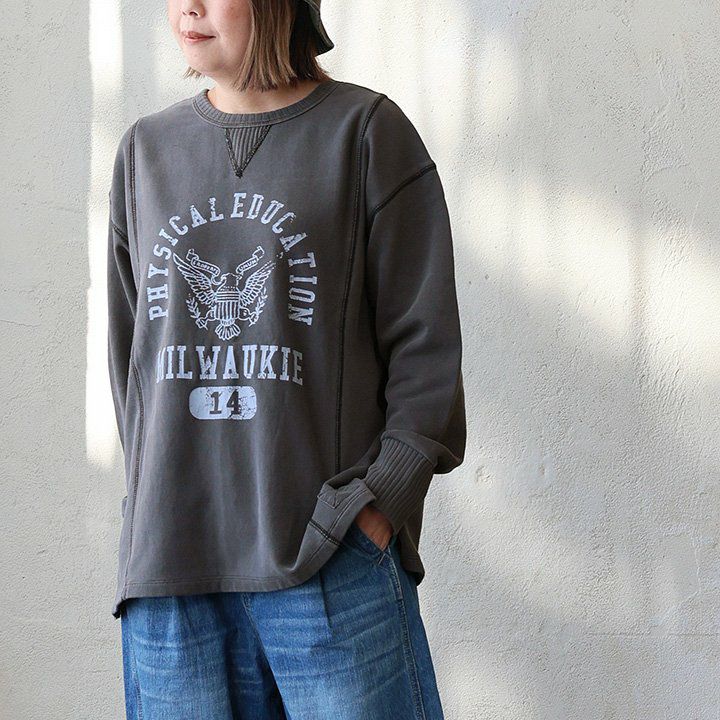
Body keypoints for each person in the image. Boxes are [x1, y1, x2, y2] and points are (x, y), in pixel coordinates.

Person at [106, 0, 467, 717]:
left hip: (327, 563)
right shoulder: (145, 152)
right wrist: (150, 501)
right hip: (171, 574)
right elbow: (132, 366)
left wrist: (379, 506)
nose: (188, 7)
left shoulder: (365, 134)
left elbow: (425, 345)